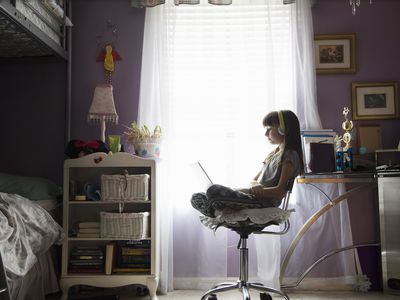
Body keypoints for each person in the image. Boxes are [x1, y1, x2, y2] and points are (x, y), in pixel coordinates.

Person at [191, 110, 304, 218]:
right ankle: (219, 212)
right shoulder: (273, 154)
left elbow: (280, 192)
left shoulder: (290, 155)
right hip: (251, 197)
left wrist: (249, 191)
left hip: (263, 202)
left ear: (282, 130)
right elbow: (253, 180)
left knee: (214, 190)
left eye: (269, 129)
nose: (265, 134)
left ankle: (222, 211)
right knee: (197, 197)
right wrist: (253, 186)